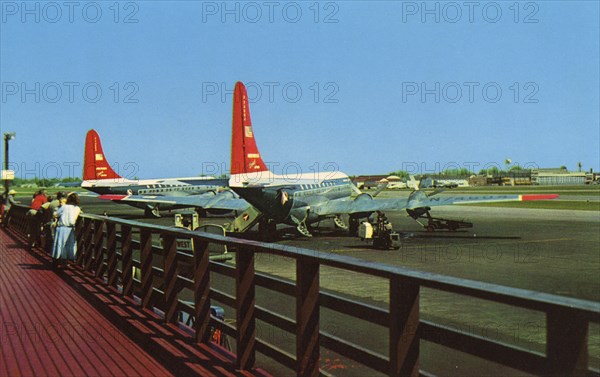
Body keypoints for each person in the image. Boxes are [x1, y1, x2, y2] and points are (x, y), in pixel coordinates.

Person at [52, 192, 81, 268]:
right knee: (68, 246)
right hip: (70, 229)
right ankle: (65, 263)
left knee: (60, 245)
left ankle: (58, 262)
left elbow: (56, 214)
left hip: (62, 228)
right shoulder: (77, 208)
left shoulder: (64, 207)